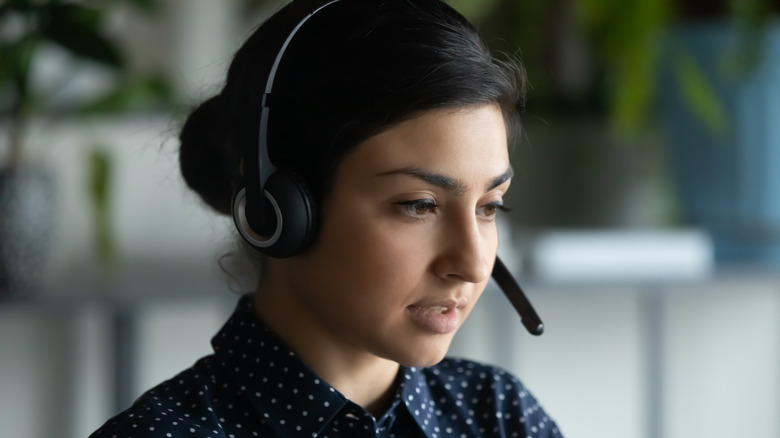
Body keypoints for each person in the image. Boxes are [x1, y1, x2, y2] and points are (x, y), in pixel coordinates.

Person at [90, 0, 563, 436]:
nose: (474, 264)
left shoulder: (500, 416)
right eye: (418, 205)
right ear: (274, 211)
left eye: (489, 206)